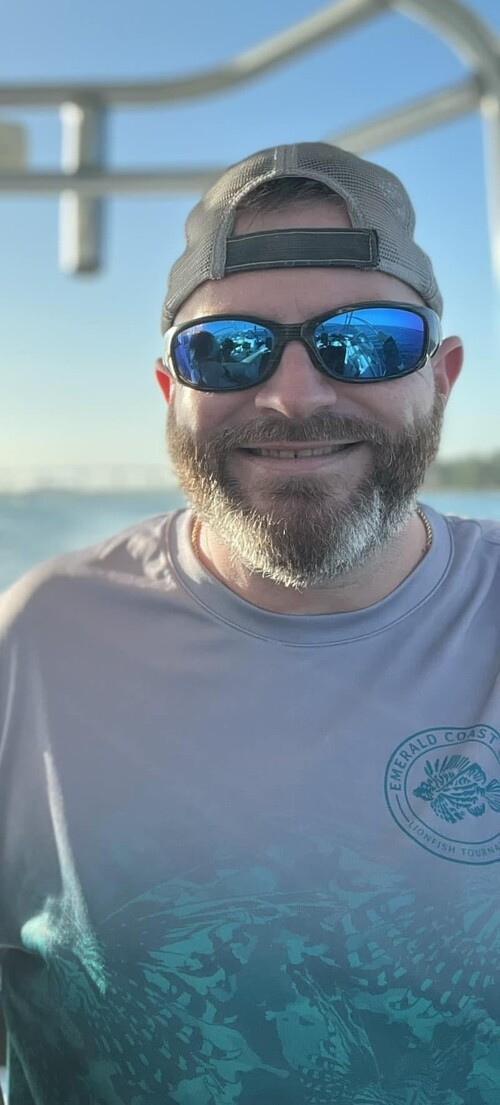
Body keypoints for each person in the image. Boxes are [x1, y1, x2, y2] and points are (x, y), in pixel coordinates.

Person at [1, 140, 499, 1105]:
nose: (294, 395)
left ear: (441, 378)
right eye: (228, 349)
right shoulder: (38, 647)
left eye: (365, 341)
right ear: (171, 393)